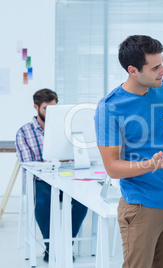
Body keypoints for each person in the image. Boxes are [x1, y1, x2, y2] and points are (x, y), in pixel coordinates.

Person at [95, 35, 163, 268]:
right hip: (141, 208)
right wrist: (150, 165)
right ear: (133, 70)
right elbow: (112, 167)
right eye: (155, 67)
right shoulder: (110, 108)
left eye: (162, 63)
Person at [15, 88, 88, 263]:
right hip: (41, 181)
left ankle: (65, 245)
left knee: (82, 201)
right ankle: (51, 246)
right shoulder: (24, 132)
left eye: (54, 108)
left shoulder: (66, 129)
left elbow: (74, 156)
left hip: (65, 177)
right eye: (46, 108)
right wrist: (51, 165)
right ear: (36, 107)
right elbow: (27, 166)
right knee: (42, 202)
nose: (51, 112)